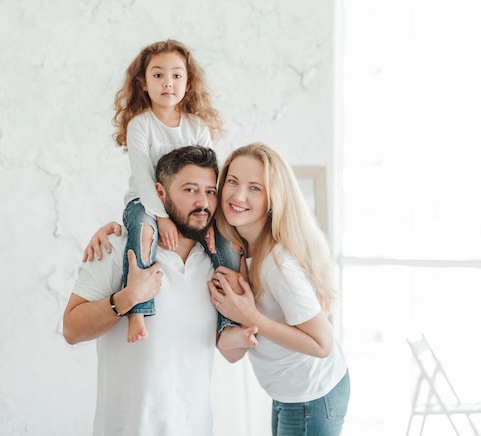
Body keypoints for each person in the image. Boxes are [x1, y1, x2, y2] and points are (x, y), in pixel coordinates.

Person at [64, 146, 222, 436]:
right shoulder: (117, 248)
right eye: (190, 190)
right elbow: (71, 329)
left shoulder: (216, 262)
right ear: (159, 194)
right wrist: (127, 298)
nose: (203, 202)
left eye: (211, 192)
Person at [92, 39, 239, 343]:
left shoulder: (196, 126)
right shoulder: (140, 126)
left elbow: (210, 174)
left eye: (176, 75)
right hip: (146, 203)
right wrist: (161, 217)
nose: (167, 83)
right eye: (158, 75)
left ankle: (230, 322)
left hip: (190, 205)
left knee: (224, 243)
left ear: (188, 83)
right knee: (142, 234)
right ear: (143, 84)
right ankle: (138, 310)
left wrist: (211, 218)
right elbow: (143, 176)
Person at [208, 142, 350, 435]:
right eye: (232, 182)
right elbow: (233, 353)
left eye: (255, 188)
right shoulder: (242, 252)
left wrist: (253, 318)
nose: (238, 195)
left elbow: (322, 345)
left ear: (273, 198)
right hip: (288, 392)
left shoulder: (277, 265)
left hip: (313, 395)